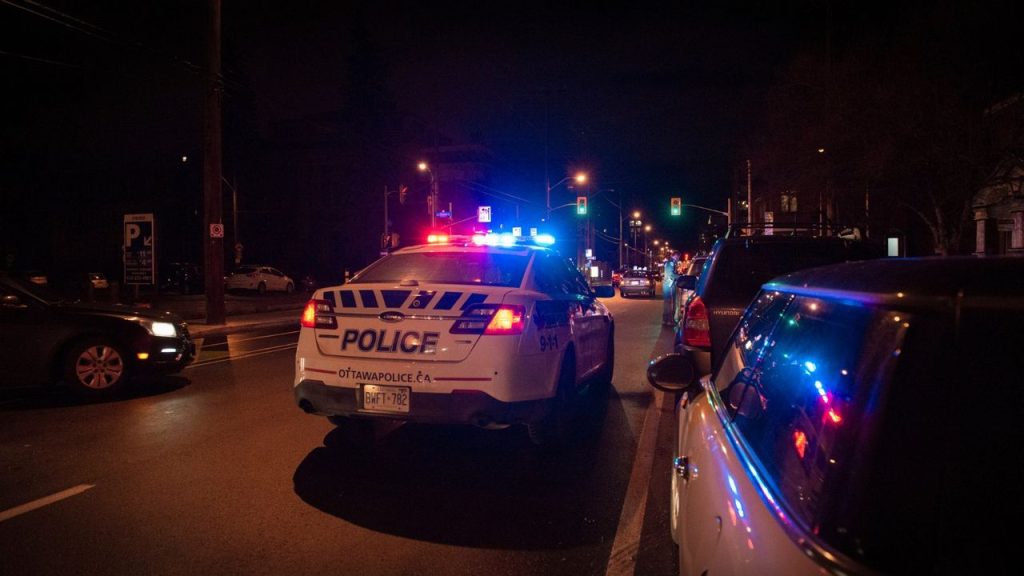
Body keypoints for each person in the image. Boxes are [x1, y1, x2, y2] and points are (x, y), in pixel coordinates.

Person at [663, 250, 681, 326]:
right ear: (676, 256)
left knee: (667, 303)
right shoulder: (671, 263)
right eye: (678, 257)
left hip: (668, 285)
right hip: (670, 285)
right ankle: (670, 320)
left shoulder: (670, 262)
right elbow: (671, 275)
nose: (678, 259)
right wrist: (680, 277)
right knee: (671, 304)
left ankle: (666, 320)